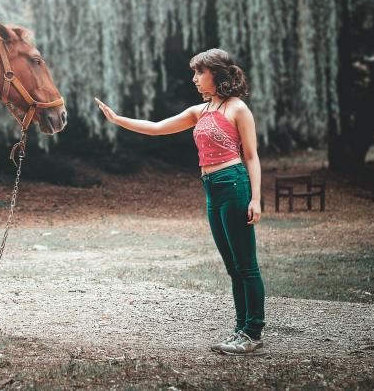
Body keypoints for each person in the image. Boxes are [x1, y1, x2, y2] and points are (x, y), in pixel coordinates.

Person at [94, 48, 265, 355]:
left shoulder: (238, 109)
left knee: (246, 266)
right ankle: (240, 330)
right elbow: (157, 128)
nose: (195, 79)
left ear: (217, 73)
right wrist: (118, 119)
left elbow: (251, 156)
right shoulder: (199, 111)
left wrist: (256, 198)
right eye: (194, 73)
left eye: (200, 72)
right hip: (212, 188)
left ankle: (253, 332)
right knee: (232, 267)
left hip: (234, 184)